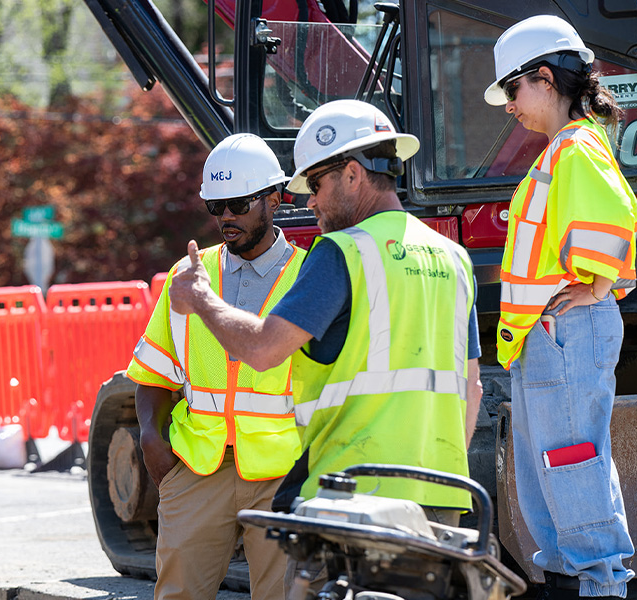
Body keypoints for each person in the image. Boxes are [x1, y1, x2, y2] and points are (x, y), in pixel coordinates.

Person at [168, 100, 482, 600]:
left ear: (353, 174)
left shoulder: (342, 252)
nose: (310, 202)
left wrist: (203, 299)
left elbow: (266, 349)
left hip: (352, 498)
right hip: (440, 497)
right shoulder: (454, 258)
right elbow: (472, 387)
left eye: (315, 185)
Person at [485, 15, 637, 599]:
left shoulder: (573, 150)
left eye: (512, 90)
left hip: (564, 330)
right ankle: (575, 579)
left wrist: (599, 285)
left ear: (545, 78)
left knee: (569, 462)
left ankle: (597, 585)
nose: (508, 106)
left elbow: (612, 219)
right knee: (559, 465)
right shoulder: (565, 149)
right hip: (551, 334)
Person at [126, 133, 307, 600]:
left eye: (239, 204)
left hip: (282, 474)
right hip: (198, 469)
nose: (226, 216)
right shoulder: (186, 278)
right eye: (216, 206)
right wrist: (150, 436)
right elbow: (152, 373)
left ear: (274, 198)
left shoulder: (310, 277)